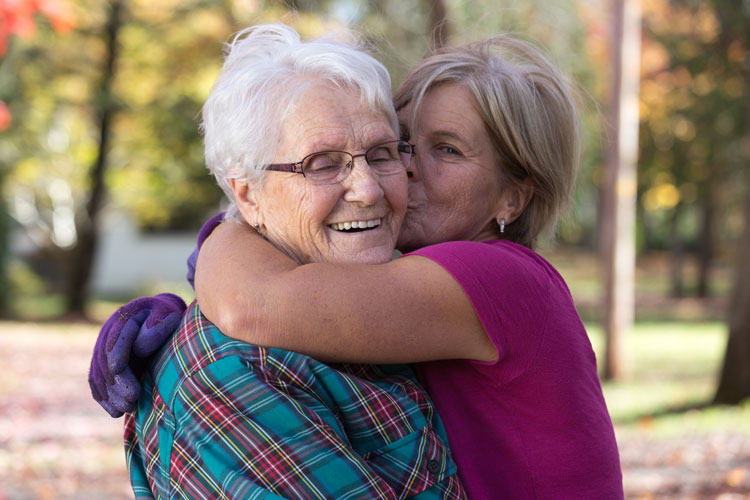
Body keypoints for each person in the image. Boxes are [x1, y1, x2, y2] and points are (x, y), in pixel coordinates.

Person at [91, 32, 625, 499]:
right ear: (247, 191)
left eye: (448, 150)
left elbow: (250, 301)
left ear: (512, 199)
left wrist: (222, 239)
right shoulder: (242, 367)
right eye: (405, 144)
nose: (400, 173)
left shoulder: (496, 278)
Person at [89, 24, 466, 499]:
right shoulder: (236, 372)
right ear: (248, 196)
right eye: (323, 164)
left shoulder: (387, 306)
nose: (369, 189)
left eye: (382, 153)